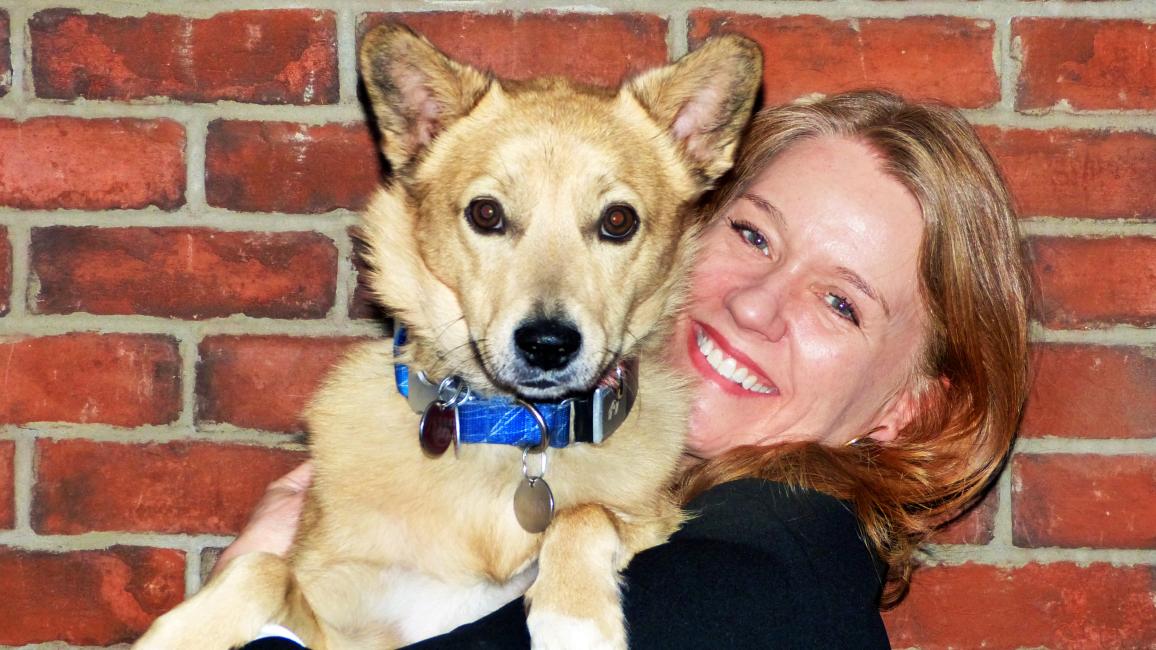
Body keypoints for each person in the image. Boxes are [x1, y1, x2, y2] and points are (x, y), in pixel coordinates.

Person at [228, 90, 1032, 649]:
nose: (755, 305)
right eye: (753, 236)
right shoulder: (644, 508)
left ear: (909, 410)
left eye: (841, 305)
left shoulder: (767, 567)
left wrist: (258, 597)